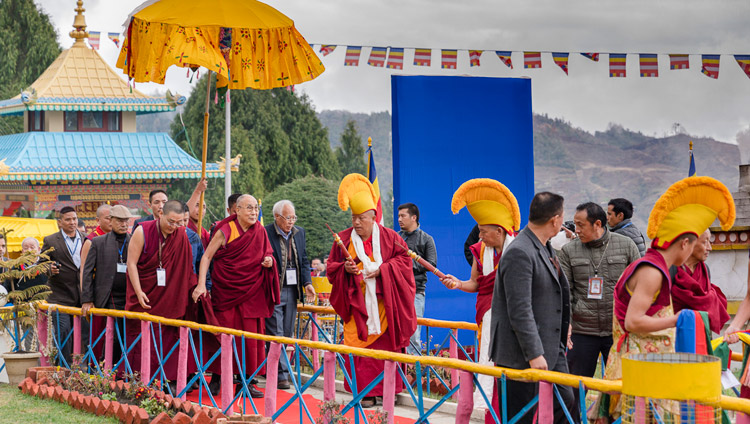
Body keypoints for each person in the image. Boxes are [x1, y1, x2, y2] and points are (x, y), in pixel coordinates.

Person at [590, 176, 735, 423]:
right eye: (696, 244)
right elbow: (633, 322)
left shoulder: (657, 268)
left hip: (649, 370)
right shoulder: (652, 271)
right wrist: (676, 320)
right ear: (685, 243)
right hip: (638, 371)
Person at [327, 174, 416, 408]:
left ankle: (388, 390)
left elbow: (404, 263)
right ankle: (365, 392)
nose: (356, 223)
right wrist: (344, 268)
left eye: (362, 218)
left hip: (384, 305)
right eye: (354, 218)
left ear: (374, 217)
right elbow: (331, 268)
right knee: (359, 349)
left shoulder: (391, 238)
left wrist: (383, 270)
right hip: (357, 306)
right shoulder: (343, 240)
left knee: (386, 347)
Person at [489, 191, 575, 424]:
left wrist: (564, 327)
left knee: (566, 401)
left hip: (552, 346)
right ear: (555, 220)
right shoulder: (520, 251)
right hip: (522, 353)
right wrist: (534, 353)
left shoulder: (544, 247)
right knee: (520, 415)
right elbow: (520, 309)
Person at [440, 178, 519, 416]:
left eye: (484, 232)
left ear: (499, 230)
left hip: (514, 318)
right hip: (488, 315)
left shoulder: (518, 251)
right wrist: (457, 284)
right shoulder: (480, 251)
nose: (480, 237)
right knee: (488, 359)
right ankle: (488, 406)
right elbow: (475, 283)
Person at [196, 194, 279, 398]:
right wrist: (200, 284)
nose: (253, 212)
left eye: (255, 208)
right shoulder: (226, 229)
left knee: (250, 340)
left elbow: (267, 253)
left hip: (251, 294)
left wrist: (269, 260)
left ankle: (246, 382)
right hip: (227, 292)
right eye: (248, 208)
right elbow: (207, 256)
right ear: (237, 210)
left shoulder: (259, 230)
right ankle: (217, 378)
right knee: (223, 335)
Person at [557, 202, 639, 407]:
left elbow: (639, 287)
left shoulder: (626, 245)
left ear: (598, 224)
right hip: (583, 332)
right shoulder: (568, 251)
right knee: (573, 391)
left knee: (623, 390)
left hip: (618, 331)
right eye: (575, 224)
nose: (576, 230)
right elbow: (566, 293)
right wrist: (567, 323)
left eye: (580, 225)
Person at [126, 200, 201, 394]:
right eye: (171, 221)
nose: (174, 226)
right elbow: (131, 263)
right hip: (145, 295)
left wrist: (193, 287)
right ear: (160, 215)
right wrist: (138, 291)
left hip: (170, 296)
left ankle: (168, 381)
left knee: (168, 338)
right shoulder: (142, 231)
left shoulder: (181, 235)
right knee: (143, 337)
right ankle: (140, 381)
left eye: (179, 223)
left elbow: (186, 268)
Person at [264, 200, 316, 389]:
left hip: (292, 289)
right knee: (276, 333)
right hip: (274, 289)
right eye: (287, 218)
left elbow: (303, 260)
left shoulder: (299, 232)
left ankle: (274, 367)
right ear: (276, 217)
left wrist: (307, 283)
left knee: (286, 332)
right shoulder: (266, 232)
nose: (291, 221)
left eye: (293, 217)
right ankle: (280, 374)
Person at [80, 205, 137, 364]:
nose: (123, 224)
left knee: (124, 338)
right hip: (105, 297)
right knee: (101, 337)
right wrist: (87, 299)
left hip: (129, 298)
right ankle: (95, 370)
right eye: (119, 220)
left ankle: (121, 373)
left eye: (126, 221)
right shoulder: (98, 242)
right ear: (111, 221)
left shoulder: (134, 240)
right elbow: (87, 272)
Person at [42, 206, 85, 366]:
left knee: (83, 334)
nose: (72, 222)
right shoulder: (51, 240)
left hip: (82, 296)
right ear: (60, 222)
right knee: (64, 331)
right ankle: (63, 367)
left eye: (74, 219)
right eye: (68, 219)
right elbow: (42, 264)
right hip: (60, 296)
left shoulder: (86, 238)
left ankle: (83, 367)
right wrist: (49, 269)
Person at [670, 229, 729, 334]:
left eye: (709, 242)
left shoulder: (705, 270)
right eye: (705, 242)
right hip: (674, 334)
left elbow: (706, 311)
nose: (709, 248)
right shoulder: (672, 269)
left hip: (701, 334)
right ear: (688, 242)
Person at [397, 202, 437, 357]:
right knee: (395, 331)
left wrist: (406, 263)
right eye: (399, 216)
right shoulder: (396, 236)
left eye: (403, 216)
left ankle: (413, 373)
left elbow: (432, 264)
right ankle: (399, 371)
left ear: (414, 217)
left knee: (413, 333)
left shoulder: (427, 239)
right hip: (395, 291)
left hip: (416, 291)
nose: (399, 219)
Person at [187, 179, 210, 248]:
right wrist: (198, 191)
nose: (201, 210)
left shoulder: (203, 231)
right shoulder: (184, 225)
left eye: (203, 207)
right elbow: (185, 211)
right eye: (197, 205)